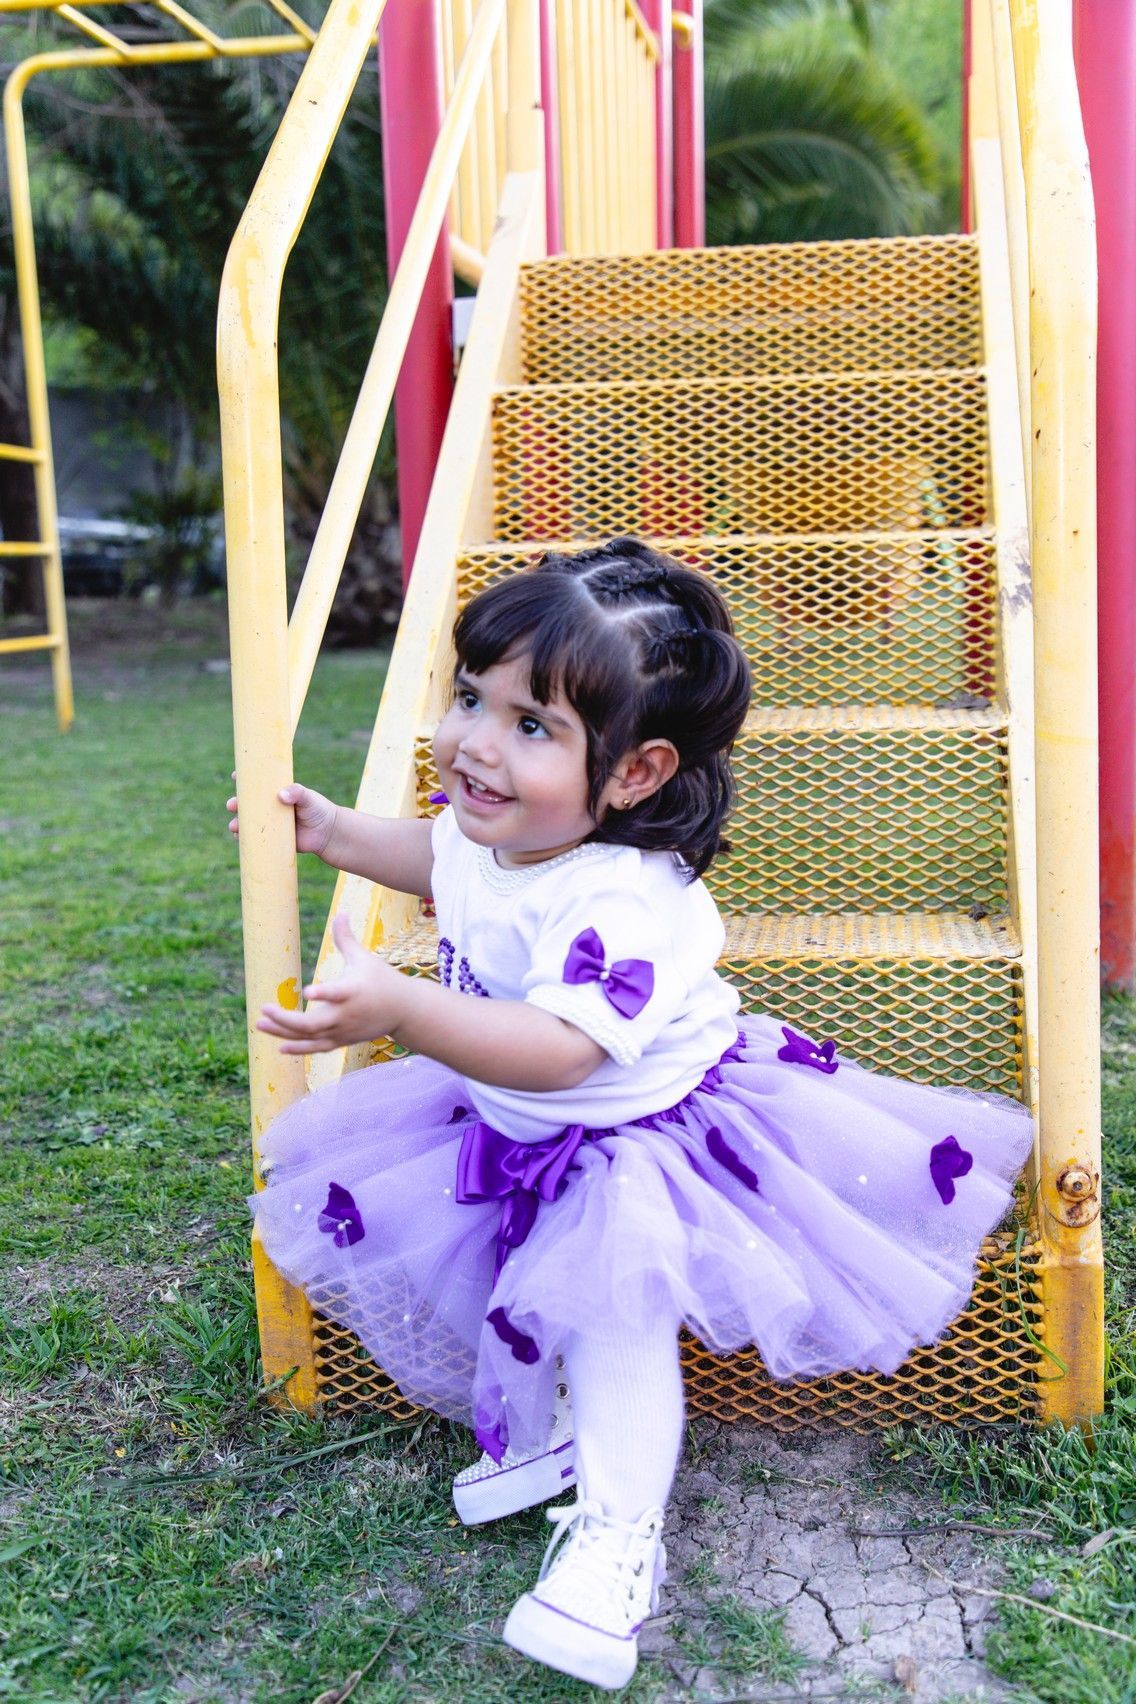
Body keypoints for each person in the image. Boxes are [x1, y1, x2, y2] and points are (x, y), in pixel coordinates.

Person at [232, 538, 1033, 1692]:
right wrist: (331, 832)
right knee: (515, 1275)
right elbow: (436, 858)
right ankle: (545, 1428)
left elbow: (559, 1052)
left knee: (612, 1321)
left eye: (530, 727)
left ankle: (617, 1537)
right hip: (513, 1125)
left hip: (635, 1146)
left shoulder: (627, 898)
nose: (472, 744)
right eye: (470, 700)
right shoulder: (489, 822)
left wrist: (402, 1004)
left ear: (637, 773)